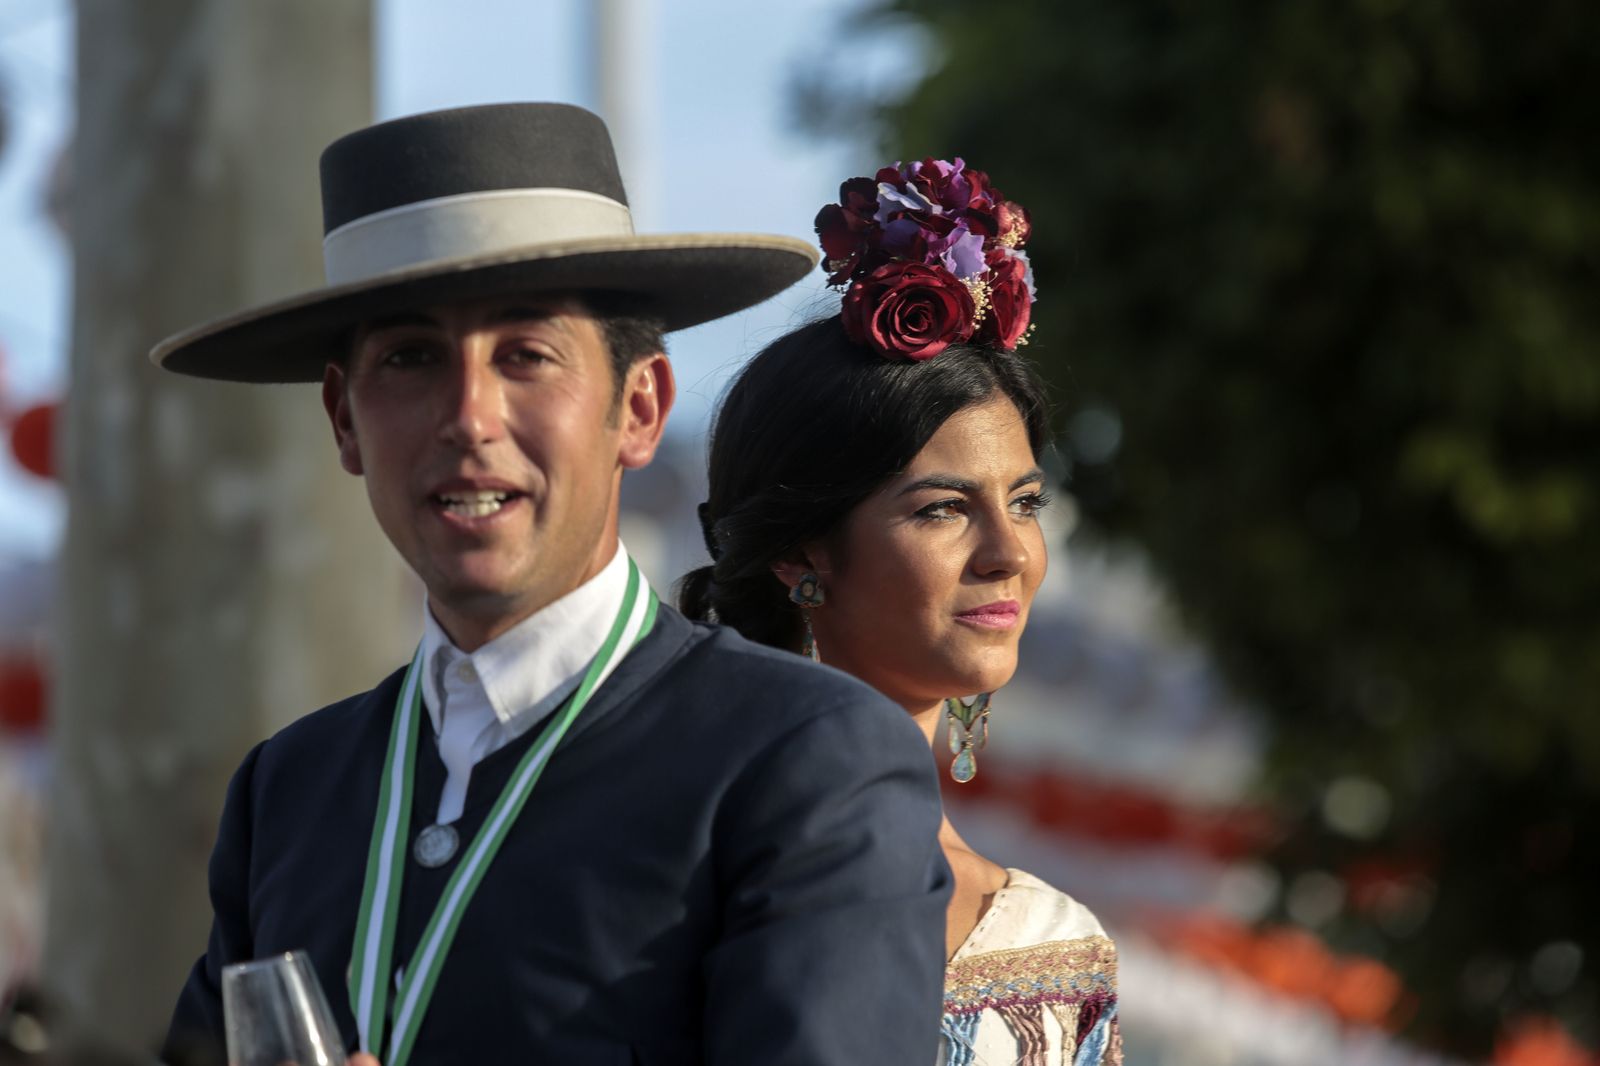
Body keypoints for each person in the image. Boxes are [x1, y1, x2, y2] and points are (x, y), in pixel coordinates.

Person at [151, 103, 952, 1066]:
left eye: (526, 356)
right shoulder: (289, 789)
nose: (468, 416)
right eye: (410, 359)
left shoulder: (803, 757)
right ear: (345, 421)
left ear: (640, 407)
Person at [681, 158, 1122, 1065]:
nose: (1008, 553)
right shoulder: (662, 882)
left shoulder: (1053, 949)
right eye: (943, 509)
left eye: (1027, 502)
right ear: (801, 551)